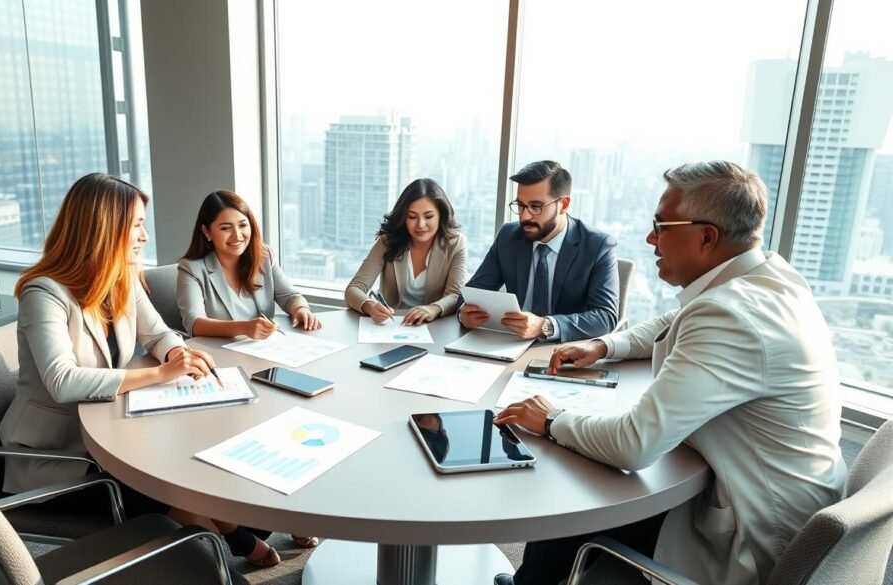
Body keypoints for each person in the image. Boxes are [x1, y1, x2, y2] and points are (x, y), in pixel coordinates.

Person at [493, 161, 847, 585]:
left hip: (751, 538)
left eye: (661, 226)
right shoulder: (765, 275)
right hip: (785, 503)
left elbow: (634, 445)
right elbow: (669, 322)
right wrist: (604, 345)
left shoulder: (729, 316)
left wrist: (550, 419)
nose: (650, 238)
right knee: (572, 517)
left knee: (567, 509)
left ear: (706, 236)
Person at [0, 174, 297, 568]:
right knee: (181, 490)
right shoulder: (45, 293)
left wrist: (177, 354)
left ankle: (239, 537)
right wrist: (159, 375)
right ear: (105, 229)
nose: (143, 236)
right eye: (136, 225)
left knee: (191, 474)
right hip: (62, 462)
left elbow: (158, 333)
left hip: (112, 433)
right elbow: (62, 381)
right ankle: (233, 543)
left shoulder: (121, 277)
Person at [460, 160, 618, 341]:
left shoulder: (598, 246)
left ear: (564, 204)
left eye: (536, 207)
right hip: (510, 343)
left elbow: (606, 317)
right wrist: (463, 314)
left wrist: (545, 326)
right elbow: (471, 293)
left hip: (563, 350)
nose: (525, 216)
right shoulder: (508, 236)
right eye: (520, 205)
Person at [178, 190, 321, 338]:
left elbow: (290, 296)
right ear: (207, 232)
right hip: (221, 354)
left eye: (242, 225)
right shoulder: (191, 269)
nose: (237, 235)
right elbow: (193, 323)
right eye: (225, 228)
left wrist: (301, 309)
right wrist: (244, 328)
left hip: (263, 350)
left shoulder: (264, 257)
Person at [345, 178, 468, 325]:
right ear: (404, 217)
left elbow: (455, 294)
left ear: (440, 215)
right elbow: (354, 288)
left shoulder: (456, 243)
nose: (420, 224)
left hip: (435, 325)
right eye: (412, 217)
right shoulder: (387, 241)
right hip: (391, 324)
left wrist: (433, 309)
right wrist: (369, 305)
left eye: (428, 216)